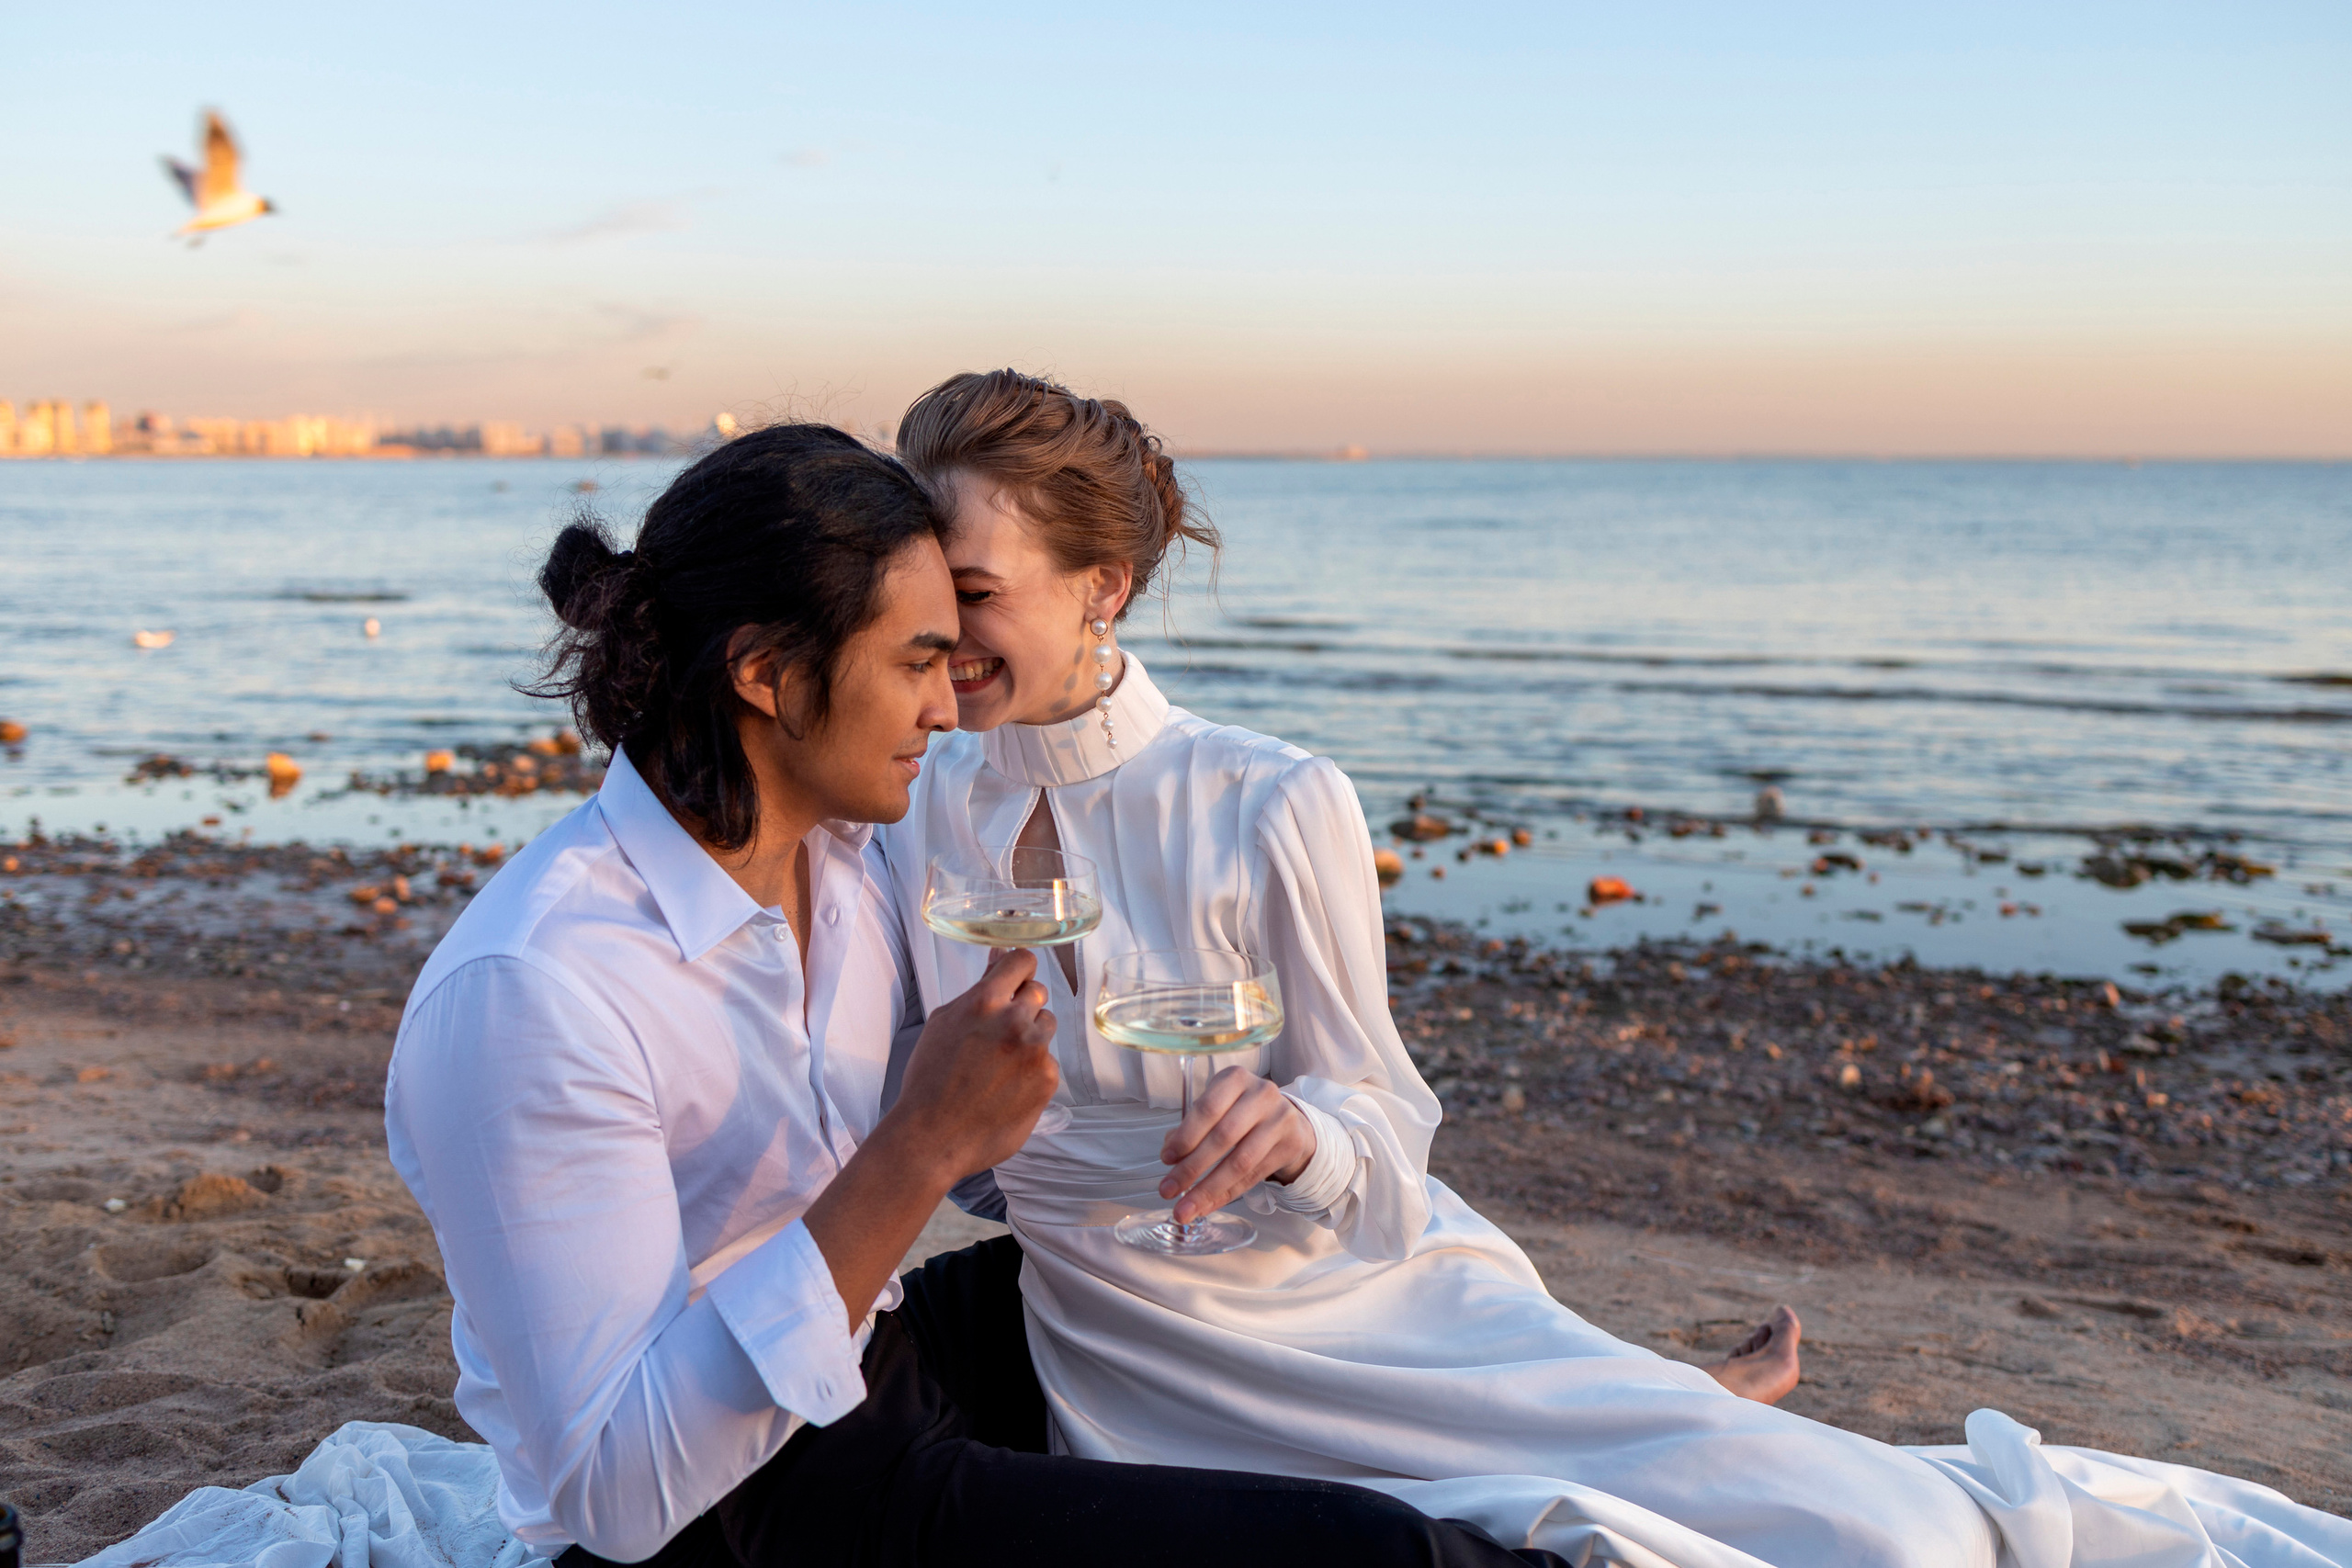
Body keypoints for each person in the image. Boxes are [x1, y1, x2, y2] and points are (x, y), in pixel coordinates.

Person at [382, 423, 1580, 1568]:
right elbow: (615, 1492)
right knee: (1368, 1553)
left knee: (1261, 1314)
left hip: (879, 1350)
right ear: (765, 674)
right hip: (746, 1512)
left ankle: (1581, 1459)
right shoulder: (536, 993)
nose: (948, 709)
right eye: (913, 661)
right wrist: (920, 1143)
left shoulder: (850, 864)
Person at [879, 372, 1999, 1568]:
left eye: (978, 592)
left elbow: (1382, 1124)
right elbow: (956, 1133)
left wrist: (1302, 1136)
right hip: (1119, 1349)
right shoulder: (906, 807)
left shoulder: (1271, 800)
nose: (939, 633)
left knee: (1895, 1537)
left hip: (1343, 1294)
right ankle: (1621, 1407)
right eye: (922, 595)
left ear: (1101, 587)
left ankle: (1610, 1399)